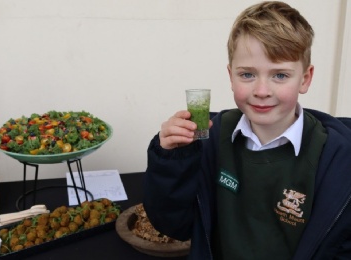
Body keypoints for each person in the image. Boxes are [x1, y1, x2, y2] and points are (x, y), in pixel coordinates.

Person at [143, 1, 351, 259]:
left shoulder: (336, 159)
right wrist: (171, 161)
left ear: (305, 79)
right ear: (231, 76)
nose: (261, 91)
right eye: (247, 75)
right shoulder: (210, 138)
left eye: (280, 75)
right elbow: (175, 225)